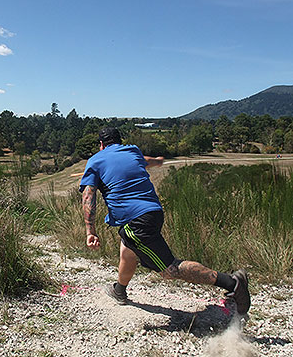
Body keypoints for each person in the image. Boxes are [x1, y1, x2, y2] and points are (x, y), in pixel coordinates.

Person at [79, 127, 250, 315]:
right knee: (128, 251)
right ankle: (119, 290)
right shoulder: (132, 151)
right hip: (153, 212)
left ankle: (233, 283)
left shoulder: (95, 160)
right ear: (120, 141)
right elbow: (147, 161)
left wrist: (90, 231)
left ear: (101, 145)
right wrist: (159, 161)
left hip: (135, 222)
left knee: (170, 270)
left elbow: (89, 196)